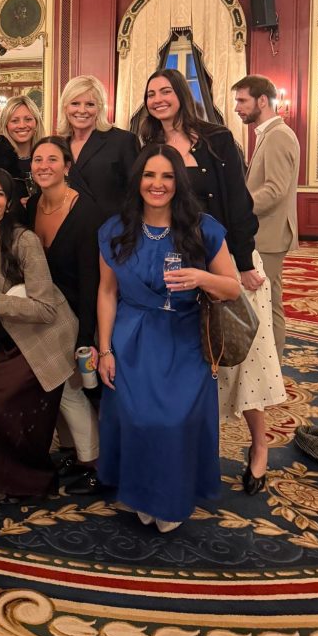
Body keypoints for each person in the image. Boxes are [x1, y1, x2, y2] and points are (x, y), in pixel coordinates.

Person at [141, 68, 286, 494]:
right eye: (151, 93)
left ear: (182, 94)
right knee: (198, 362)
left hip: (227, 262)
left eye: (165, 91)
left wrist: (242, 263)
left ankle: (259, 445)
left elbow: (239, 204)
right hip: (178, 264)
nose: (158, 99)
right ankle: (198, 449)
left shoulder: (217, 139)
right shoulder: (148, 145)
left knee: (245, 360)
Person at [96, 144, 241, 532]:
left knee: (174, 421)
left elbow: (232, 288)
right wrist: (105, 349)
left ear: (179, 182)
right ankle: (141, 493)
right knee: (137, 419)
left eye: (167, 176)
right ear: (137, 180)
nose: (157, 184)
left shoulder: (202, 227)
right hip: (131, 337)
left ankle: (171, 497)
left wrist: (202, 278)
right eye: (149, 175)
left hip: (184, 336)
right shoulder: (115, 230)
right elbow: (107, 292)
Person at [0, 167, 78, 498]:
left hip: (46, 339)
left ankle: (27, 479)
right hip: (10, 341)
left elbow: (46, 309)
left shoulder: (25, 241)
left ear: (8, 203)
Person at [27, 136, 102, 492]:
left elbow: (92, 281)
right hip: (46, 313)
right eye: (37, 159)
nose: (43, 166)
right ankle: (73, 451)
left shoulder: (85, 212)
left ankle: (94, 464)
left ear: (67, 166)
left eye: (52, 159)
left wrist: (86, 336)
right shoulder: (32, 206)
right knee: (54, 388)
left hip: (77, 313)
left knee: (75, 392)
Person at [233, 75, 300, 362]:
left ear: (262, 100)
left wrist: (237, 210)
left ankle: (273, 369)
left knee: (270, 305)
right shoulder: (269, 134)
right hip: (265, 232)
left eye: (242, 100)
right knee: (266, 302)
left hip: (269, 235)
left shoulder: (278, 135)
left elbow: (274, 190)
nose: (237, 107)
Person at [56, 75, 139, 220]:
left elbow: (137, 192)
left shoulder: (123, 141)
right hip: (69, 228)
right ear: (65, 107)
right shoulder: (58, 145)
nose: (82, 110)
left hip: (111, 229)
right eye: (75, 103)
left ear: (99, 108)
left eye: (90, 104)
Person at [0, 95, 45, 205]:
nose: (22, 125)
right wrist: (15, 206)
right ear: (5, 125)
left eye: (28, 119)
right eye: (15, 121)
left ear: (36, 122)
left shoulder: (46, 152)